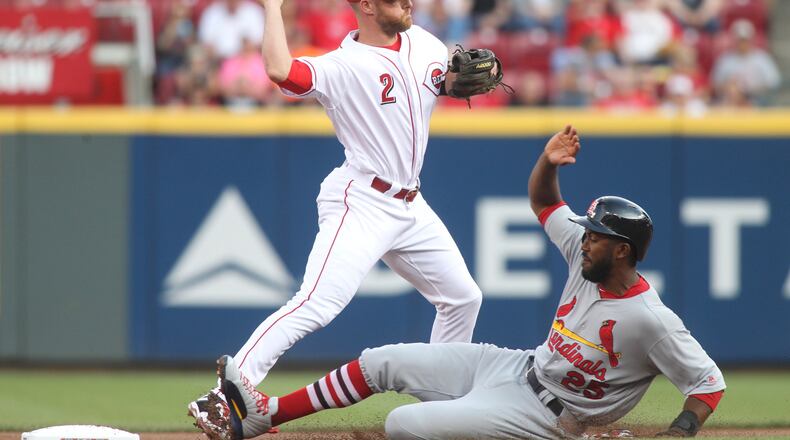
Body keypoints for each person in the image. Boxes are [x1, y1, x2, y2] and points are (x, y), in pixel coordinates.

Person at [210, 125, 726, 439]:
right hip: (517, 365)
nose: (583, 239)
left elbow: (708, 384)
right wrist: (547, 162)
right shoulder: (583, 256)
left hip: (549, 417)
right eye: (586, 233)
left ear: (623, 250)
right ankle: (265, 416)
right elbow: (546, 202)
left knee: (403, 427)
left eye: (595, 236)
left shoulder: (650, 319)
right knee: (378, 361)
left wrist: (681, 431)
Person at [189, 0, 500, 437]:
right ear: (368, 6)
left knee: (463, 298)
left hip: (411, 205)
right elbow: (281, 70)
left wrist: (456, 82)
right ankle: (223, 397)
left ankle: (441, 404)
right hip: (363, 201)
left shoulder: (427, 43)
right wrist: (273, 8)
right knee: (318, 302)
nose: (408, 3)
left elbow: (441, 83)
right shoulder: (343, 66)